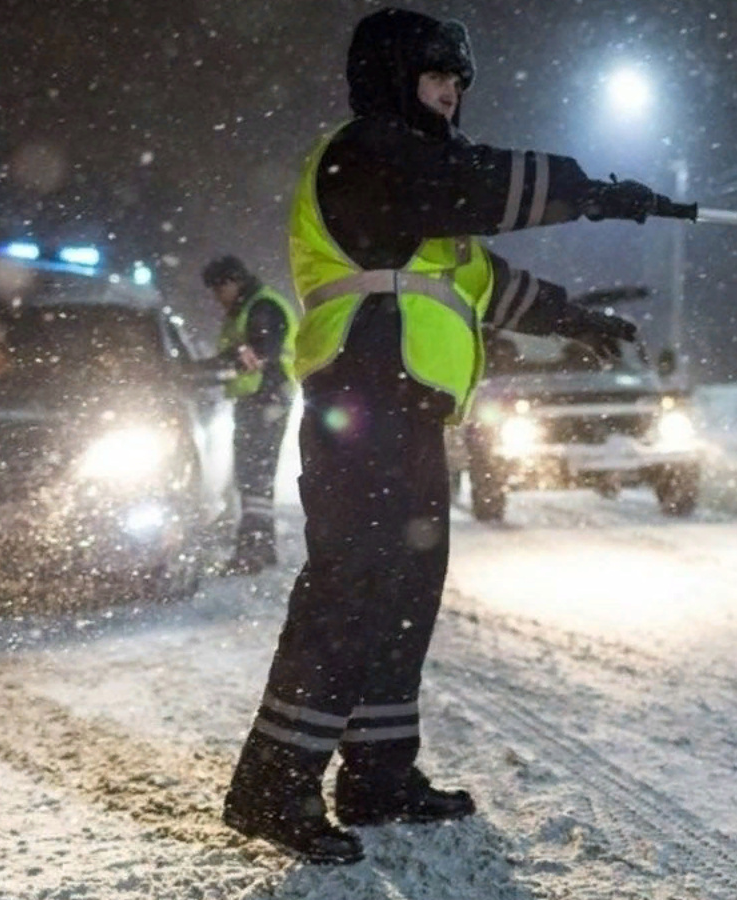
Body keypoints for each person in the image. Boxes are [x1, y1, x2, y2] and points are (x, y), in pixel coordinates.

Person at [220, 7, 667, 864]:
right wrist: (593, 191)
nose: (451, 95)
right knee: (349, 591)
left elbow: (484, 278)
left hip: (410, 414)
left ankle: (380, 774)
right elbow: (480, 185)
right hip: (358, 401)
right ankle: (272, 784)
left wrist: (571, 315)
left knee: (404, 594)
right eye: (437, 78)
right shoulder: (367, 154)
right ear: (392, 79)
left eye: (458, 82)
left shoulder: (424, 191)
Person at [201, 254, 298, 573]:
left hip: (266, 399)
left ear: (233, 282)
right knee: (255, 477)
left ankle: (253, 551)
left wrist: (199, 370)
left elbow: (255, 355)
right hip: (261, 399)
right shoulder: (249, 308)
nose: (217, 298)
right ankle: (260, 547)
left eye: (219, 289)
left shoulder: (261, 308)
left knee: (254, 475)